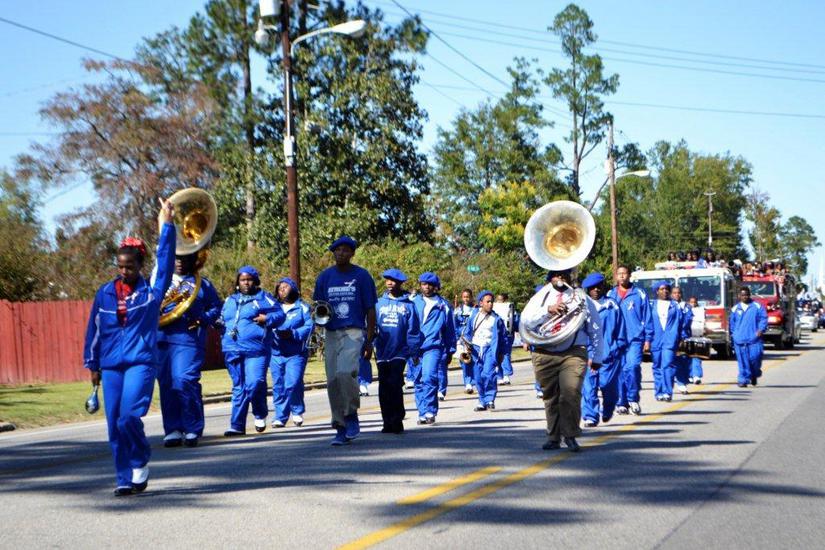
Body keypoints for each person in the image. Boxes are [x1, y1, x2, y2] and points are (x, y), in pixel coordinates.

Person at [83, 198, 176, 496]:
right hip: (110, 365)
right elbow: (93, 331)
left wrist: (167, 224)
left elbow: (165, 259)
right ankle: (124, 478)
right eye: (121, 266)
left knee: (128, 418)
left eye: (131, 266)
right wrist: (93, 364)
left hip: (141, 361)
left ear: (139, 265)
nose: (125, 271)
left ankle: (139, 463)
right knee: (114, 424)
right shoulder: (104, 293)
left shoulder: (151, 292)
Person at [522, 269, 603, 452]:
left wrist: (597, 356)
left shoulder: (580, 298)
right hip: (544, 352)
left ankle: (571, 435)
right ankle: (553, 437)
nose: (561, 278)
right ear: (550, 278)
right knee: (550, 397)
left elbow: (595, 327)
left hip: (573, 351)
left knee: (571, 393)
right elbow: (526, 321)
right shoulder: (540, 298)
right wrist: (548, 311)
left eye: (564, 275)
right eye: (557, 275)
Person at [313, 236, 377, 445]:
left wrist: (369, 339)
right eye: (337, 250)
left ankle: (351, 415)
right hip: (331, 332)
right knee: (332, 381)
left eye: (345, 250)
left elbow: (370, 309)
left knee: (344, 373)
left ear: (352, 253)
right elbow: (318, 306)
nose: (340, 253)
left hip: (354, 330)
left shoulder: (362, 276)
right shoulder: (325, 277)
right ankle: (339, 427)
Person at [156, 251, 222, 448]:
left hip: (188, 338)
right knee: (167, 383)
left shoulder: (203, 284)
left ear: (192, 261)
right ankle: (173, 429)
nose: (179, 262)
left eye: (184, 258)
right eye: (175, 258)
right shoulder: (159, 280)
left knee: (184, 379)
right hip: (162, 338)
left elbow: (216, 307)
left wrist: (203, 318)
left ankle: (192, 427)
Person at [219, 266, 283, 437]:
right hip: (232, 349)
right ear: (238, 282)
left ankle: (260, 413)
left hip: (256, 349)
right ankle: (237, 425)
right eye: (242, 279)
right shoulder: (230, 300)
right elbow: (222, 316)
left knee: (254, 384)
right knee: (239, 387)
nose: (246, 282)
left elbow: (280, 314)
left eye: (249, 279)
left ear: (255, 281)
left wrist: (267, 318)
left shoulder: (264, 298)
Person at [374, 269, 421, 433]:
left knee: (394, 384)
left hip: (399, 352)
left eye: (393, 280)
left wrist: (414, 352)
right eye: (387, 279)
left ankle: (397, 418)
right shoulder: (378, 303)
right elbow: (371, 325)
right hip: (381, 352)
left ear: (400, 283)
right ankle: (387, 421)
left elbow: (413, 331)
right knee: (384, 387)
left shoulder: (409, 305)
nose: (389, 283)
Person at [580, 273, 625, 427]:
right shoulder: (581, 307)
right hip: (587, 355)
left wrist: (617, 348)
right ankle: (590, 415)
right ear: (587, 289)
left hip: (609, 355)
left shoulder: (612, 306)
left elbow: (621, 330)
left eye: (599, 286)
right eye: (592, 288)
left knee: (607, 385)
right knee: (588, 387)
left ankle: (609, 407)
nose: (596, 290)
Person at [607, 265, 653, 416]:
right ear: (616, 276)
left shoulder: (639, 294)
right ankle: (622, 402)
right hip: (616, 339)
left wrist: (648, 338)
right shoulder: (610, 294)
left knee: (632, 367)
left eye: (624, 273)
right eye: (619, 274)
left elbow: (647, 317)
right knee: (619, 371)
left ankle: (633, 398)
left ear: (629, 275)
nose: (622, 276)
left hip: (635, 338)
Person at [269, 277, 314, 428]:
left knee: (293, 383)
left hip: (296, 353)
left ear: (293, 289)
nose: (282, 289)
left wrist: (292, 334)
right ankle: (280, 417)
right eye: (280, 287)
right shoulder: (272, 307)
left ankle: (297, 410)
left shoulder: (302, 307)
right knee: (278, 385)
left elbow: (309, 327)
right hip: (275, 353)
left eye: (286, 286)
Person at [412, 272, 456, 425]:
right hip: (415, 348)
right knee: (417, 380)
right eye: (424, 284)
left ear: (436, 287)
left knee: (430, 377)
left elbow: (450, 329)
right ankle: (422, 412)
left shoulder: (444, 305)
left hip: (433, 346)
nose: (427, 287)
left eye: (430, 284)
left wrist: (451, 350)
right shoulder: (412, 302)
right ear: (420, 285)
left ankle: (430, 411)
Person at [462, 290, 507, 411]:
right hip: (476, 349)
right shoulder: (474, 315)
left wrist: (502, 352)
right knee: (478, 377)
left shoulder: (497, 319)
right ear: (481, 303)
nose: (490, 304)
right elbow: (467, 332)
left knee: (488, 374)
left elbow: (503, 337)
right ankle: (481, 400)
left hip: (490, 349)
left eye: (492, 301)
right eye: (488, 302)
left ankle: (490, 398)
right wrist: (466, 344)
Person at [650, 281, 683, 402]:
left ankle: (667, 392)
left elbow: (681, 323)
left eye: (667, 289)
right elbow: (648, 323)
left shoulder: (675, 305)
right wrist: (647, 339)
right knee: (657, 366)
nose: (665, 291)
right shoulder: (651, 305)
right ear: (657, 291)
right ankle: (659, 392)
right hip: (656, 340)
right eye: (662, 289)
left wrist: (680, 337)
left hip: (670, 339)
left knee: (667, 364)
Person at [729, 287, 768, 387]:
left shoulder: (757, 306)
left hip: (754, 339)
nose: (745, 297)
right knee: (742, 361)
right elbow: (732, 323)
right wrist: (734, 334)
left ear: (749, 295)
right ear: (739, 296)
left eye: (746, 295)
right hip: (740, 339)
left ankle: (754, 374)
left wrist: (760, 329)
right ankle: (743, 379)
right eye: (742, 295)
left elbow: (763, 319)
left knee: (755, 358)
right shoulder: (735, 308)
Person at [670, 286, 694, 395]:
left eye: (679, 293)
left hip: (684, 337)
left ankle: (683, 381)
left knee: (685, 360)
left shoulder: (686, 306)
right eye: (674, 293)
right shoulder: (668, 305)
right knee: (672, 361)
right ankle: (676, 384)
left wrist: (681, 330)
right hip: (671, 338)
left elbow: (688, 320)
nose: (676, 295)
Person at [453, 288, 476, 393]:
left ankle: (475, 381)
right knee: (465, 362)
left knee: (474, 362)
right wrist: (458, 337)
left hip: (474, 340)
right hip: (461, 340)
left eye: (468, 297)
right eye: (464, 297)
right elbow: (454, 325)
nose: (466, 299)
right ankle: (468, 383)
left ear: (471, 297)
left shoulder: (476, 310)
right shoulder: (457, 310)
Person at [494, 293, 517, 385]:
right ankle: (499, 376)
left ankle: (506, 375)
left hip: (507, 334)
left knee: (506, 353)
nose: (500, 302)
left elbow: (514, 321)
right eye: (498, 300)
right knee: (497, 354)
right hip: (496, 334)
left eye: (502, 300)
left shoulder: (510, 308)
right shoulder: (493, 307)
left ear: (505, 300)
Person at [687, 296, 705, 384]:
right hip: (687, 336)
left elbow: (703, 322)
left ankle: (696, 375)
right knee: (688, 357)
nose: (693, 304)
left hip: (698, 335)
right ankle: (689, 375)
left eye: (694, 302)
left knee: (697, 356)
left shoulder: (701, 311)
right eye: (691, 302)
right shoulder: (685, 311)